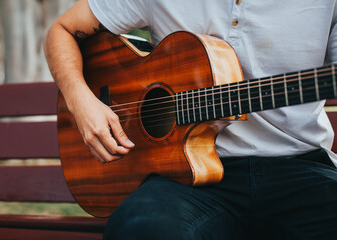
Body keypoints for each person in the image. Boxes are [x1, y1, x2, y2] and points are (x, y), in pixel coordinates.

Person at [44, 0, 337, 239]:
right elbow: (63, 30)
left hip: (300, 166)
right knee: (140, 229)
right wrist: (81, 101)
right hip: (184, 177)